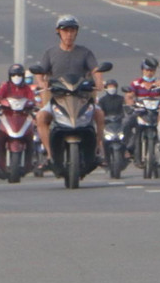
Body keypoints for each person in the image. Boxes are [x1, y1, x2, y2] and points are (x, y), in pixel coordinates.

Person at [33, 15, 106, 173]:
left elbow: (96, 70)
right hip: (57, 99)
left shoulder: (85, 53)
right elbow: (40, 72)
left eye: (72, 30)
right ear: (59, 32)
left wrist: (99, 81)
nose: (69, 34)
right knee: (41, 117)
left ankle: (97, 151)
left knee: (99, 114)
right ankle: (50, 155)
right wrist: (41, 82)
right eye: (65, 31)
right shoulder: (50, 53)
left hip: (82, 98)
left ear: (76, 32)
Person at [123, 58, 160, 156]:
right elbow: (129, 96)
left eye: (152, 70)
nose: (149, 73)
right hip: (141, 112)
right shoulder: (136, 83)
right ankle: (128, 146)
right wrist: (131, 104)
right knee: (126, 122)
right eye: (147, 70)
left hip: (156, 112)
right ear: (142, 70)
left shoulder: (159, 83)